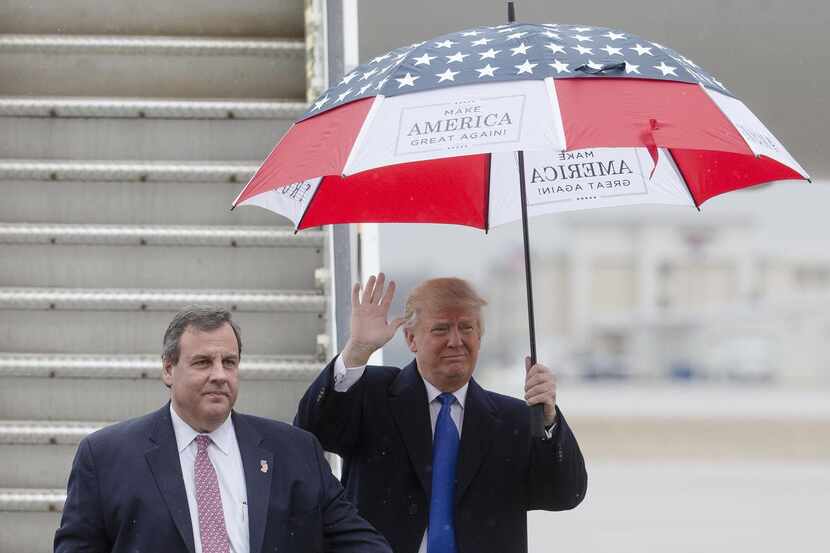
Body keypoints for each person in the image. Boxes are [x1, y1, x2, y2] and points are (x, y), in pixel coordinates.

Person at [54, 306, 391, 553]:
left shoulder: (294, 450)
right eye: (203, 362)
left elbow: (359, 543)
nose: (219, 375)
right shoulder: (107, 456)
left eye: (229, 363)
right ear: (168, 370)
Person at [296, 274, 587, 553]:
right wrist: (356, 351)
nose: (456, 341)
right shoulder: (372, 394)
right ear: (411, 339)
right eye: (441, 329)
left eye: (467, 328)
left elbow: (564, 494)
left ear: (480, 336)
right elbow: (311, 432)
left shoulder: (513, 419)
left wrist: (548, 419)